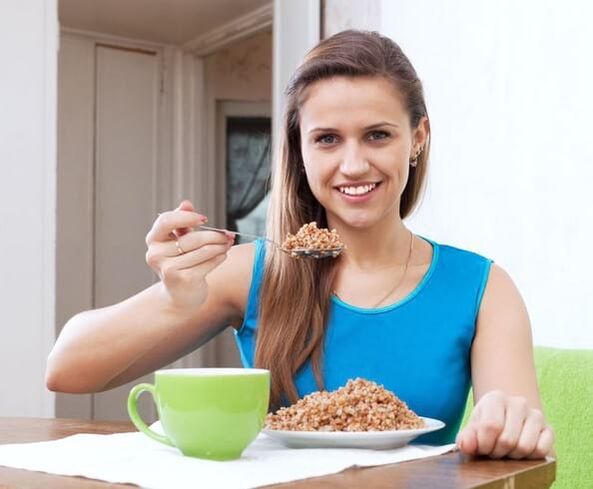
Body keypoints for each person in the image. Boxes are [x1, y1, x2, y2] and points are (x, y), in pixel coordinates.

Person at [46, 29, 554, 459]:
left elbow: (521, 448)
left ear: (417, 136)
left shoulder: (482, 288)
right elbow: (66, 368)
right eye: (327, 139)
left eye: (377, 135)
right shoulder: (255, 271)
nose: (353, 165)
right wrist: (172, 299)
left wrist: (509, 427)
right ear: (301, 147)